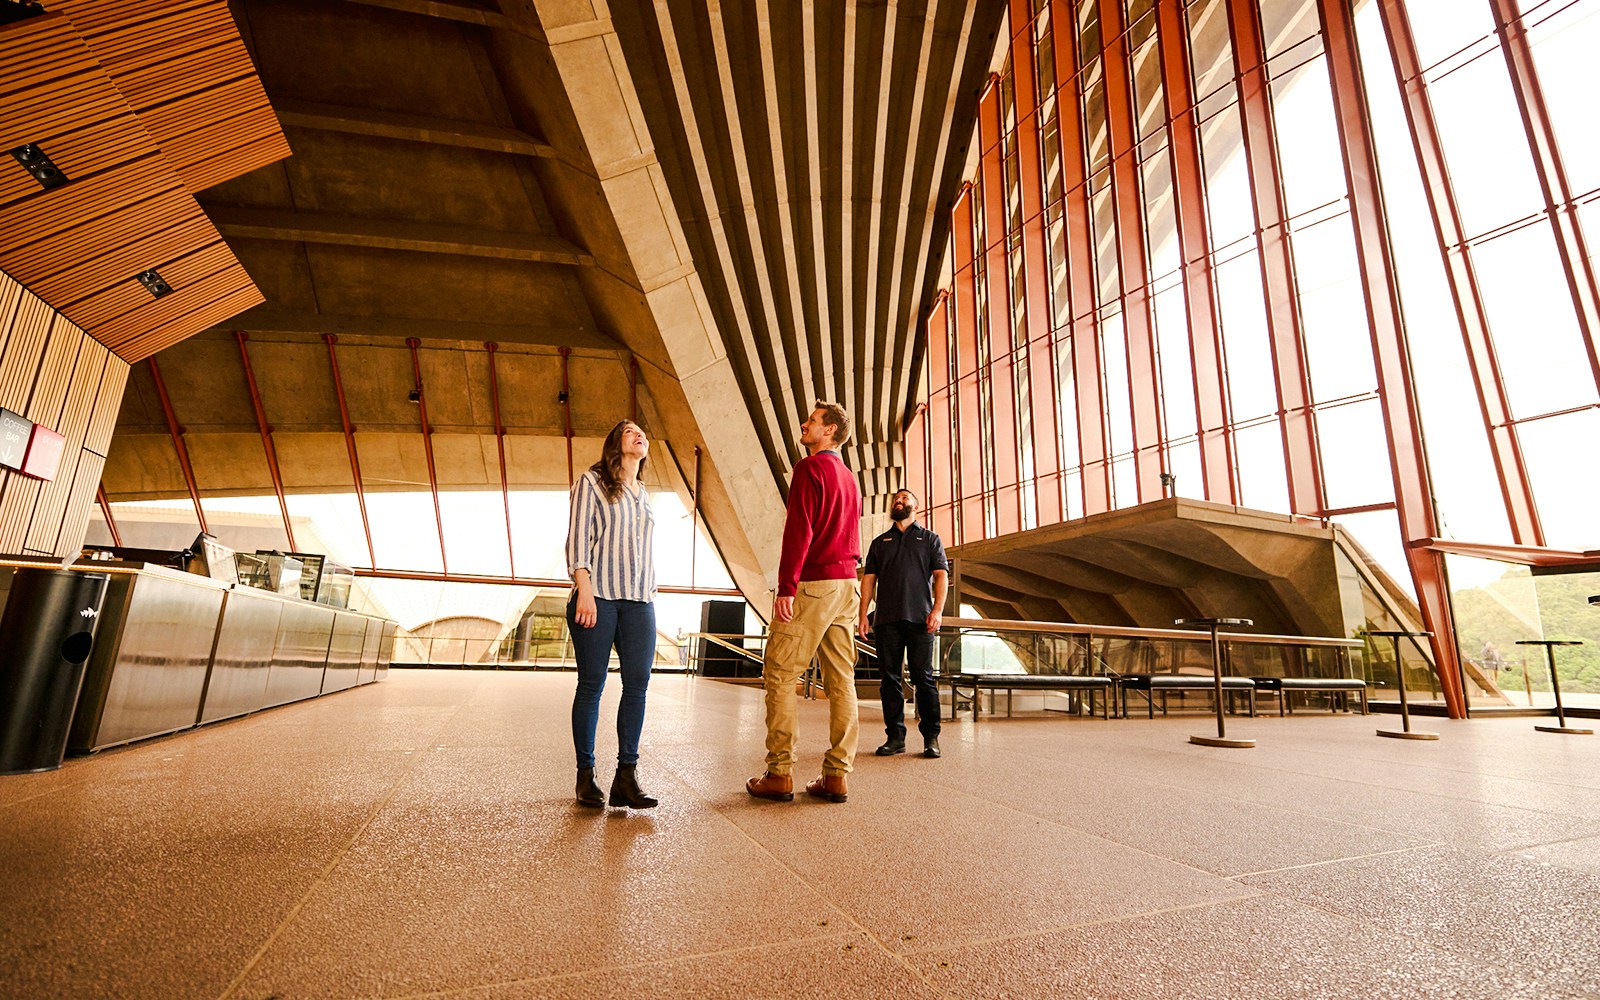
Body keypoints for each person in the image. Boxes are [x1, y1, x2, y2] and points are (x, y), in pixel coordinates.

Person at [746, 401, 863, 804]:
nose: (805, 424)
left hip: (815, 583)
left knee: (779, 672)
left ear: (829, 431)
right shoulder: (849, 479)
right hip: (848, 585)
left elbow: (800, 528)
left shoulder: (809, 468)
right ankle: (837, 776)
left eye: (812, 421)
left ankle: (779, 773)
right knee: (841, 681)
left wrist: (787, 587)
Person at [565, 419, 659, 810]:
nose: (639, 434)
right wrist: (583, 590)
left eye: (642, 431)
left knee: (637, 686)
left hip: (640, 601)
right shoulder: (592, 483)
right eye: (629, 431)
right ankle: (585, 776)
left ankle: (626, 777)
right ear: (615, 445)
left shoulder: (644, 495)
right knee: (592, 684)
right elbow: (577, 539)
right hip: (598, 596)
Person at [859, 488, 948, 759]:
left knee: (924, 680)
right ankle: (895, 737)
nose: (899, 501)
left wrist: (937, 611)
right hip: (886, 621)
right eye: (896, 499)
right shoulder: (879, 542)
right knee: (889, 680)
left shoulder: (930, 539)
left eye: (905, 498)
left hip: (921, 619)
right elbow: (868, 580)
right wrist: (863, 614)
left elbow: (941, 576)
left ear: (916, 507)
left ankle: (931, 738)